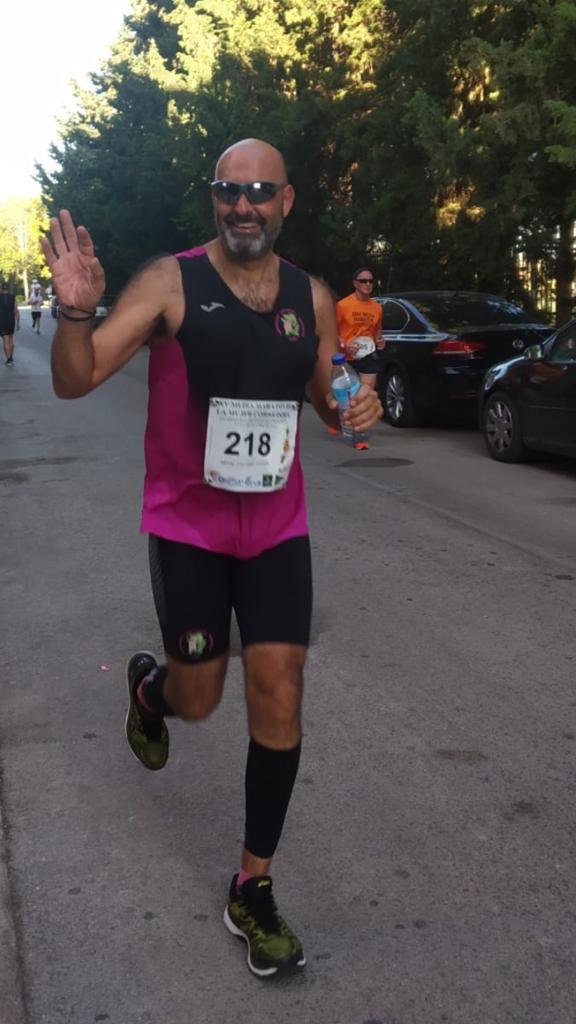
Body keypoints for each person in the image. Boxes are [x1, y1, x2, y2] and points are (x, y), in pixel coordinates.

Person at [42, 138, 382, 978]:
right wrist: (78, 314)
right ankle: (151, 690)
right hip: (188, 528)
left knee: (279, 689)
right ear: (215, 200)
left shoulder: (310, 295)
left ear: (285, 201)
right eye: (229, 191)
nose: (243, 205)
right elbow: (76, 380)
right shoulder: (171, 282)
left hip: (276, 528)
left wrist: (354, 406)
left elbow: (329, 398)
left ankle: (252, 887)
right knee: (199, 698)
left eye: (260, 191)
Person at [332, 268, 384, 450]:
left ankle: (361, 435)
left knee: (365, 395)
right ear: (355, 283)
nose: (368, 284)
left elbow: (377, 333)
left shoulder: (377, 308)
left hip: (368, 354)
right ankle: (339, 418)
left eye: (371, 281)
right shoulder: (343, 305)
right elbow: (332, 333)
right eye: (363, 281)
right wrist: (344, 344)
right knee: (348, 397)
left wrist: (380, 341)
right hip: (347, 358)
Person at [0, 282, 19, 365]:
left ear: (1, 288)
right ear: (9, 288)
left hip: (2, 321)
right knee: (11, 339)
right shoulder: (13, 297)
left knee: (5, 340)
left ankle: (9, 359)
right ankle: (11, 356)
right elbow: (16, 311)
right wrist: (18, 323)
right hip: (11, 321)